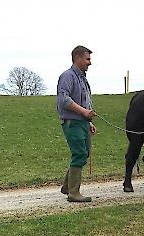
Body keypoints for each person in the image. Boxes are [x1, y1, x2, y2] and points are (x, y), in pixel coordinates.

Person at [56, 45, 97, 203]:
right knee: (79, 153)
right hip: (72, 122)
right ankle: (74, 193)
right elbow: (64, 100)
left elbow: (85, 101)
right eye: (87, 59)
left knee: (83, 153)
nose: (90, 63)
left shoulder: (82, 78)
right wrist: (84, 112)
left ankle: (67, 187)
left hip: (82, 122)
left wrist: (89, 121)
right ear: (77, 58)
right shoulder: (67, 76)